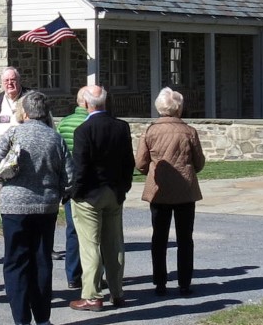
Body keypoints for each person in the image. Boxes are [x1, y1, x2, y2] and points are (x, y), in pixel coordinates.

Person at [0, 91, 68, 325]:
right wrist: (61, 191)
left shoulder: (14, 133)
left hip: (14, 206)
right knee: (42, 260)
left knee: (16, 260)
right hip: (45, 206)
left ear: (25, 112)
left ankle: (21, 319)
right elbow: (70, 174)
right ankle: (42, 317)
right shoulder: (55, 138)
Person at [66, 84, 134, 311]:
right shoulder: (121, 127)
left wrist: (75, 192)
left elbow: (81, 168)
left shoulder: (83, 131)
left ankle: (92, 296)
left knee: (90, 245)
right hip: (114, 192)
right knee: (114, 244)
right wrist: (123, 188)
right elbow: (129, 163)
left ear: (86, 104)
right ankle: (117, 292)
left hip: (89, 195)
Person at [135, 87, 206, 296]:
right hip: (185, 189)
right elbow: (199, 161)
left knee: (159, 236)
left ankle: (160, 282)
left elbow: (140, 163)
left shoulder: (150, 131)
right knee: (185, 237)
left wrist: (153, 169)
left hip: (160, 189)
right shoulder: (189, 131)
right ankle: (184, 282)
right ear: (179, 108)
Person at [54, 97, 89, 289]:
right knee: (93, 233)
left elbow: (60, 151)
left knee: (73, 230)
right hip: (89, 183)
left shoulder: (65, 122)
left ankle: (73, 275)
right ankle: (93, 275)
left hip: (69, 182)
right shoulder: (90, 122)